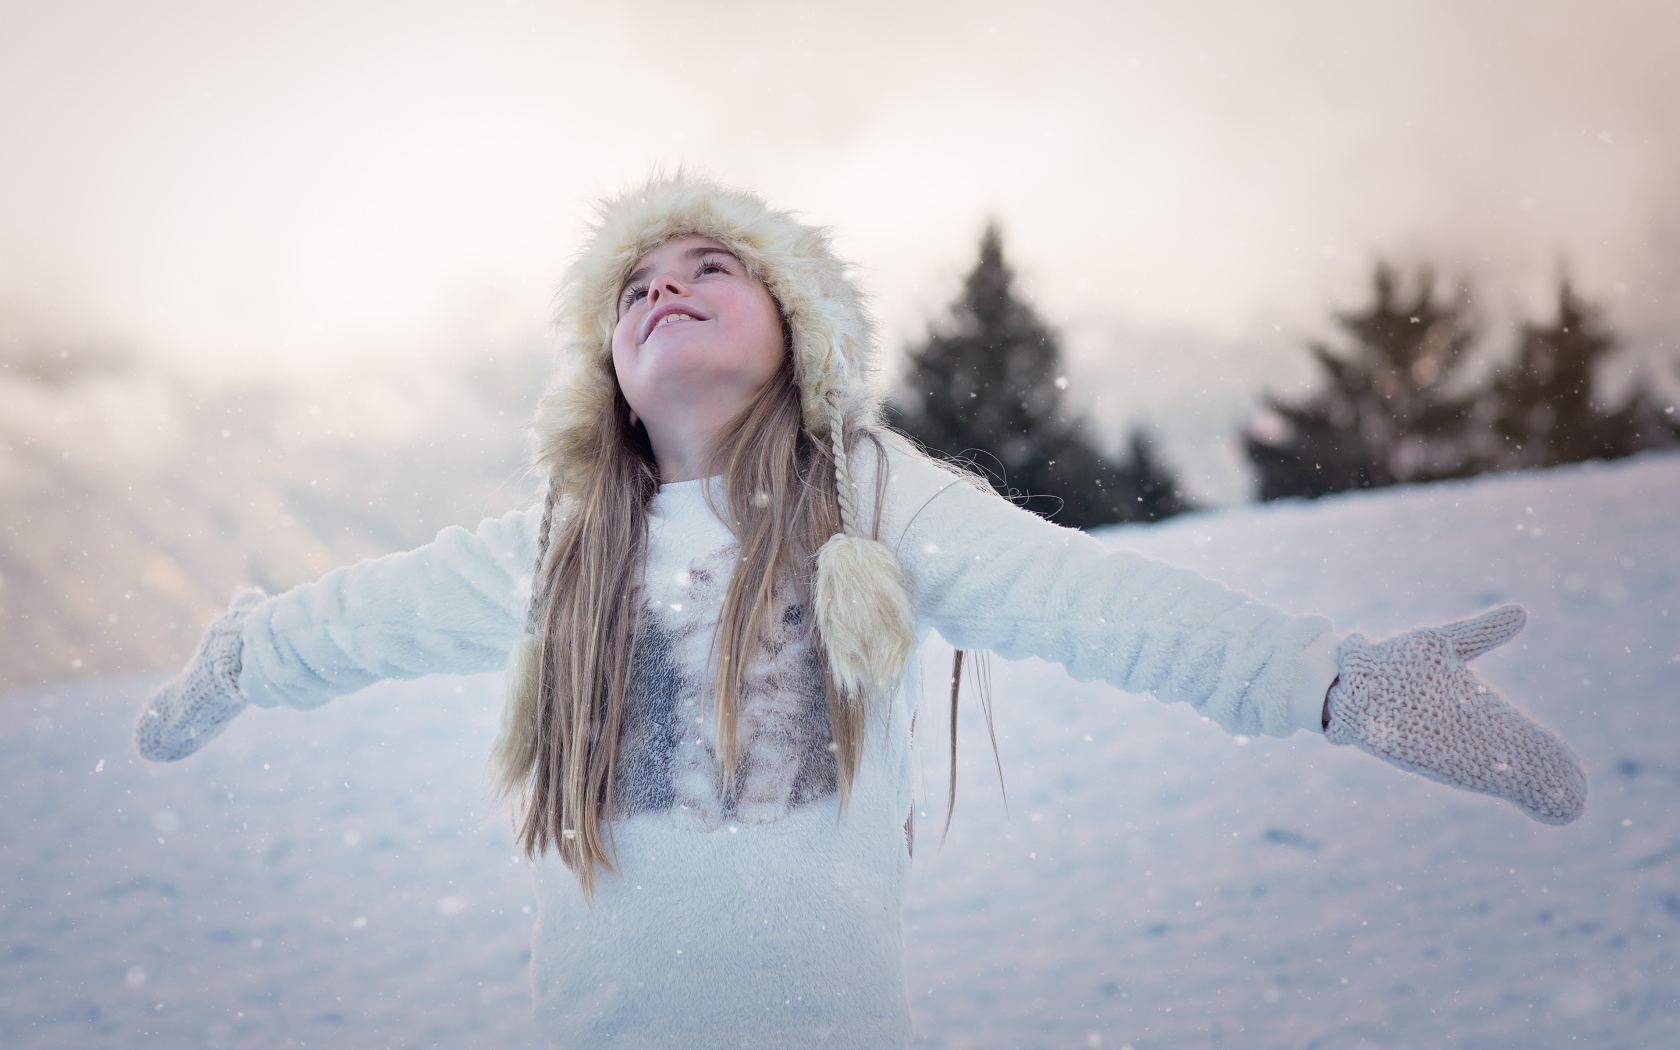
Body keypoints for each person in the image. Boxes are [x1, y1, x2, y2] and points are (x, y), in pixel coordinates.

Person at [134, 174, 1587, 1049]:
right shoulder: (564, 550)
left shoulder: (874, 500)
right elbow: (366, 617)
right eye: (636, 285)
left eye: (713, 268)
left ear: (798, 333)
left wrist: (1334, 678)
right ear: (605, 370)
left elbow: (1090, 601)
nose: (668, 289)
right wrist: (247, 651)